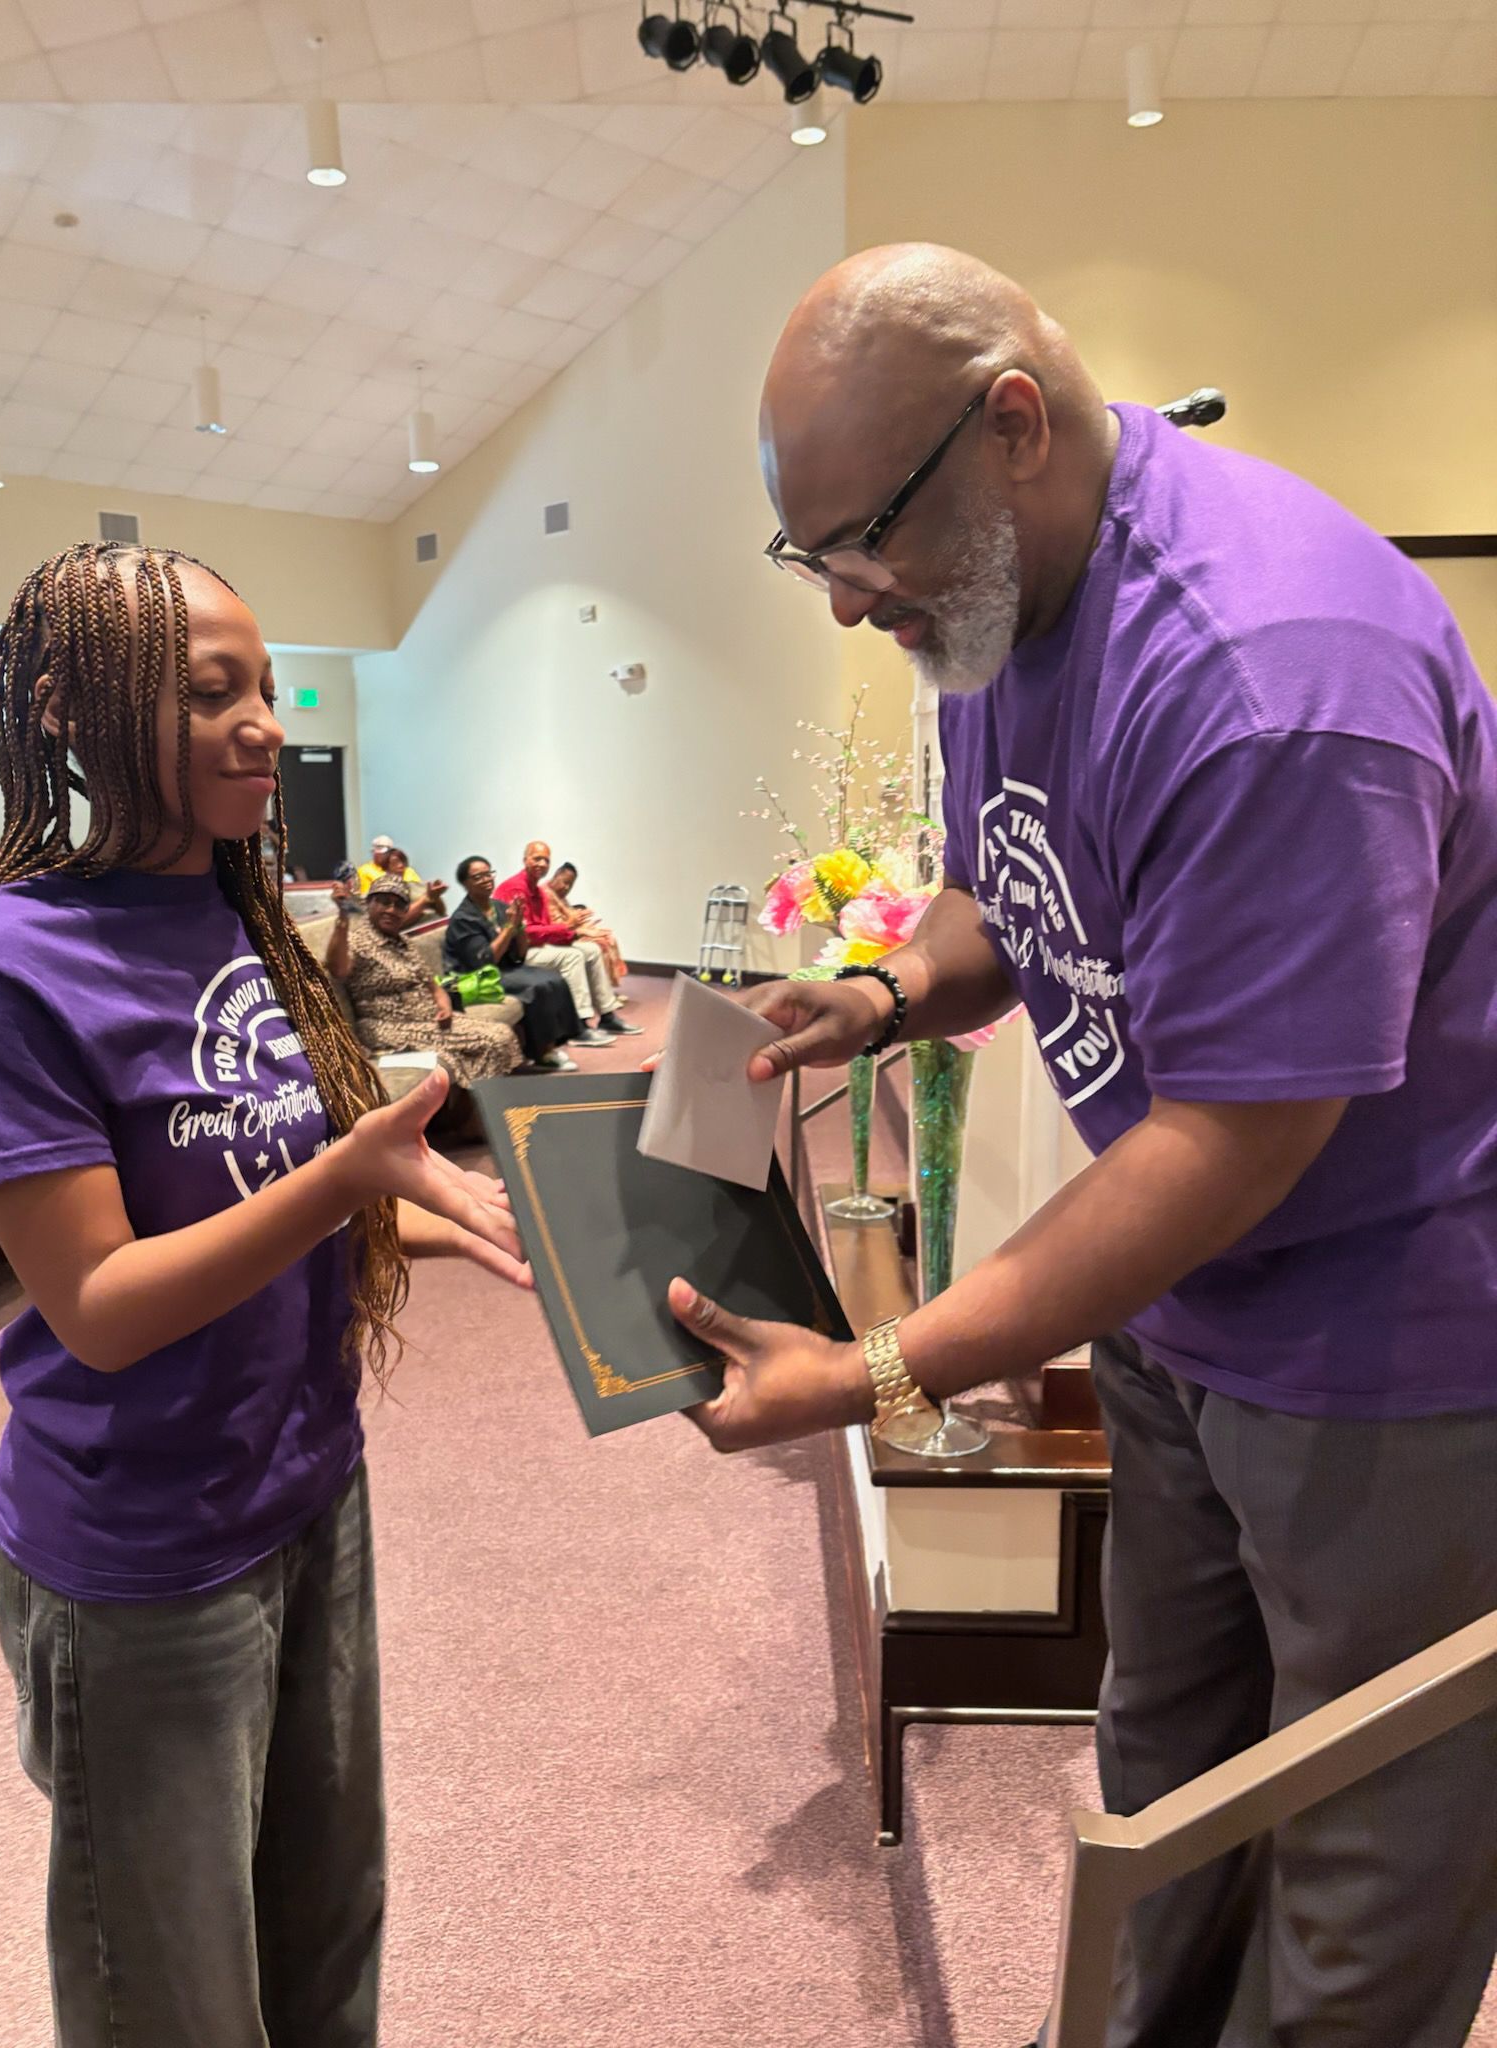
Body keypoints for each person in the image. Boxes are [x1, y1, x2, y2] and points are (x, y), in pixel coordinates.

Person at [662, 245, 1497, 2048]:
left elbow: (1228, 1144)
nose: (846, 604)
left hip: (1402, 1347)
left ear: (1015, 427)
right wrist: (888, 992)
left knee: (1363, 1860)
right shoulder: (991, 599)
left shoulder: (1277, 675)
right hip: (1187, 1318)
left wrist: (875, 1367)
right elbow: (1018, 885)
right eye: (811, 556)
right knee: (1165, 1774)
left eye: (862, 546)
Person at [0, 541, 531, 2048]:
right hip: (144, 1554)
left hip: (308, 1486)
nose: (265, 723)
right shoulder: (6, 965)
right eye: (212, 692)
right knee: (174, 1998)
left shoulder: (242, 907)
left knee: (327, 1932)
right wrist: (344, 1181)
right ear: (72, 713)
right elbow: (99, 1301)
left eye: (267, 688)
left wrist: (419, 1208)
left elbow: (256, 1186)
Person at [325, 872, 519, 1091]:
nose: (391, 910)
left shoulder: (404, 943)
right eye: (384, 902)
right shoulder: (357, 941)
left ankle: (480, 1099)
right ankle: (482, 1103)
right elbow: (338, 969)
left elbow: (433, 986)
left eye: (399, 905)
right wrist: (342, 918)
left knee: (503, 1032)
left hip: (429, 1019)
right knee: (493, 1040)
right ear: (369, 903)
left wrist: (444, 1007)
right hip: (389, 1027)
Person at [444, 854, 585, 1071]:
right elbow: (485, 962)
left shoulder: (500, 907)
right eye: (478, 877)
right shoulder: (463, 918)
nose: (486, 879)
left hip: (503, 968)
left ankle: (557, 1043)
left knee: (554, 978)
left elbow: (520, 954)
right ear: (465, 883)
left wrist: (519, 927)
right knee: (536, 987)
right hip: (473, 977)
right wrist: (510, 927)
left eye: (488, 873)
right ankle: (541, 1053)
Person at [495, 840, 639, 1038]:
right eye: (537, 858)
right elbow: (525, 933)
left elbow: (547, 930)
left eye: (546, 860)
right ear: (525, 860)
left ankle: (607, 1016)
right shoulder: (514, 888)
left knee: (592, 950)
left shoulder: (539, 891)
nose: (542, 864)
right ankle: (578, 1026)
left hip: (537, 946)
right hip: (516, 952)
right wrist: (569, 928)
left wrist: (575, 933)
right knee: (572, 956)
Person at [549, 860, 628, 991]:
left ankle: (605, 990)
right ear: (556, 875)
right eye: (565, 882)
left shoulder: (561, 897)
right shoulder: (546, 894)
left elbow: (571, 917)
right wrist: (579, 927)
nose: (567, 887)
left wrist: (583, 923)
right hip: (559, 937)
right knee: (601, 944)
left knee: (609, 938)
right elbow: (555, 924)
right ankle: (598, 992)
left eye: (570, 885)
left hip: (572, 931)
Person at [382, 844, 445, 922]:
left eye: (403, 861)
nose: (401, 865)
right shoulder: (385, 892)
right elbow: (396, 921)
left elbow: (442, 912)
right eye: (395, 862)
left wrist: (436, 896)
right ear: (386, 866)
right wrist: (426, 898)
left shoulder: (419, 885)